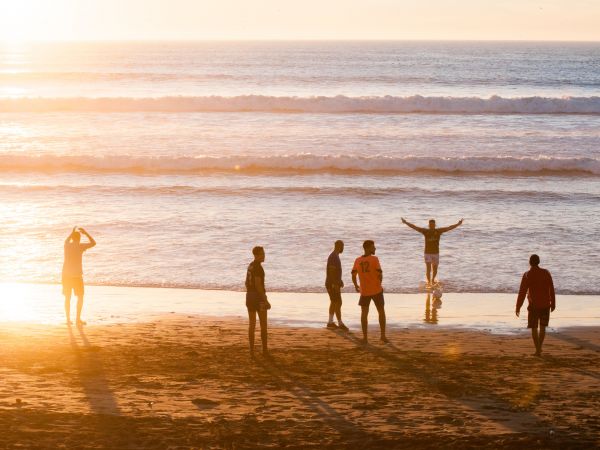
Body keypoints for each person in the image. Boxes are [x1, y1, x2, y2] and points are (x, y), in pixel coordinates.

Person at [401, 217, 463, 286]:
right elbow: (415, 227)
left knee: (435, 269)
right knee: (428, 268)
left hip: (436, 253)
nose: (431, 226)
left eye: (433, 225)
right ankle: (429, 282)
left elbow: (449, 228)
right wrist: (406, 222)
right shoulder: (425, 231)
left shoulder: (439, 231)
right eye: (430, 225)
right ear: (429, 225)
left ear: (435, 225)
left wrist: (458, 224)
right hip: (427, 253)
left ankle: (433, 280)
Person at [515, 254, 556, 357]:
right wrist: (553, 303)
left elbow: (522, 292)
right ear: (539, 262)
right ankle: (539, 349)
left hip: (533, 306)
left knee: (534, 328)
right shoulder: (546, 273)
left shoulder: (527, 275)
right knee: (542, 328)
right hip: (545, 304)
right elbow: (552, 288)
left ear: (530, 262)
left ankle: (538, 350)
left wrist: (518, 306)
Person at [352, 240, 388, 344]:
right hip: (376, 290)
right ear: (367, 248)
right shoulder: (374, 259)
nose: (375, 248)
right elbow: (380, 274)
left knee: (364, 314)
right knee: (381, 312)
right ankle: (382, 336)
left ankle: (365, 338)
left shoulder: (357, 260)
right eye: (373, 247)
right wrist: (380, 283)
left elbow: (353, 275)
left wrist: (356, 286)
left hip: (364, 291)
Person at [62, 227, 96, 326]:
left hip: (66, 275)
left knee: (67, 297)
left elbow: (66, 240)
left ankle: (68, 320)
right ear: (79, 239)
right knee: (80, 297)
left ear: (72, 238)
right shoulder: (81, 246)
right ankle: (77, 319)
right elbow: (94, 243)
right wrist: (86, 233)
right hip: (76, 276)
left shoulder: (67, 246)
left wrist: (71, 233)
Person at [245, 246, 271, 358]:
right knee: (263, 324)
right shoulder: (258, 268)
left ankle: (251, 351)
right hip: (258, 298)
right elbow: (258, 285)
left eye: (264, 253)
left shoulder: (250, 266)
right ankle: (264, 350)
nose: (264, 255)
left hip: (249, 297)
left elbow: (246, 282)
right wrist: (265, 300)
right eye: (261, 254)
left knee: (252, 324)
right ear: (256, 255)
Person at [325, 240, 349, 331]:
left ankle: (330, 322)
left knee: (334, 302)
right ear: (339, 246)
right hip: (332, 284)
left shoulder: (335, 256)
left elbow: (335, 272)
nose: (343, 248)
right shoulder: (333, 257)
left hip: (332, 282)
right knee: (338, 302)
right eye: (343, 246)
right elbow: (331, 271)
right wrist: (335, 283)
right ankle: (340, 323)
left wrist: (340, 281)